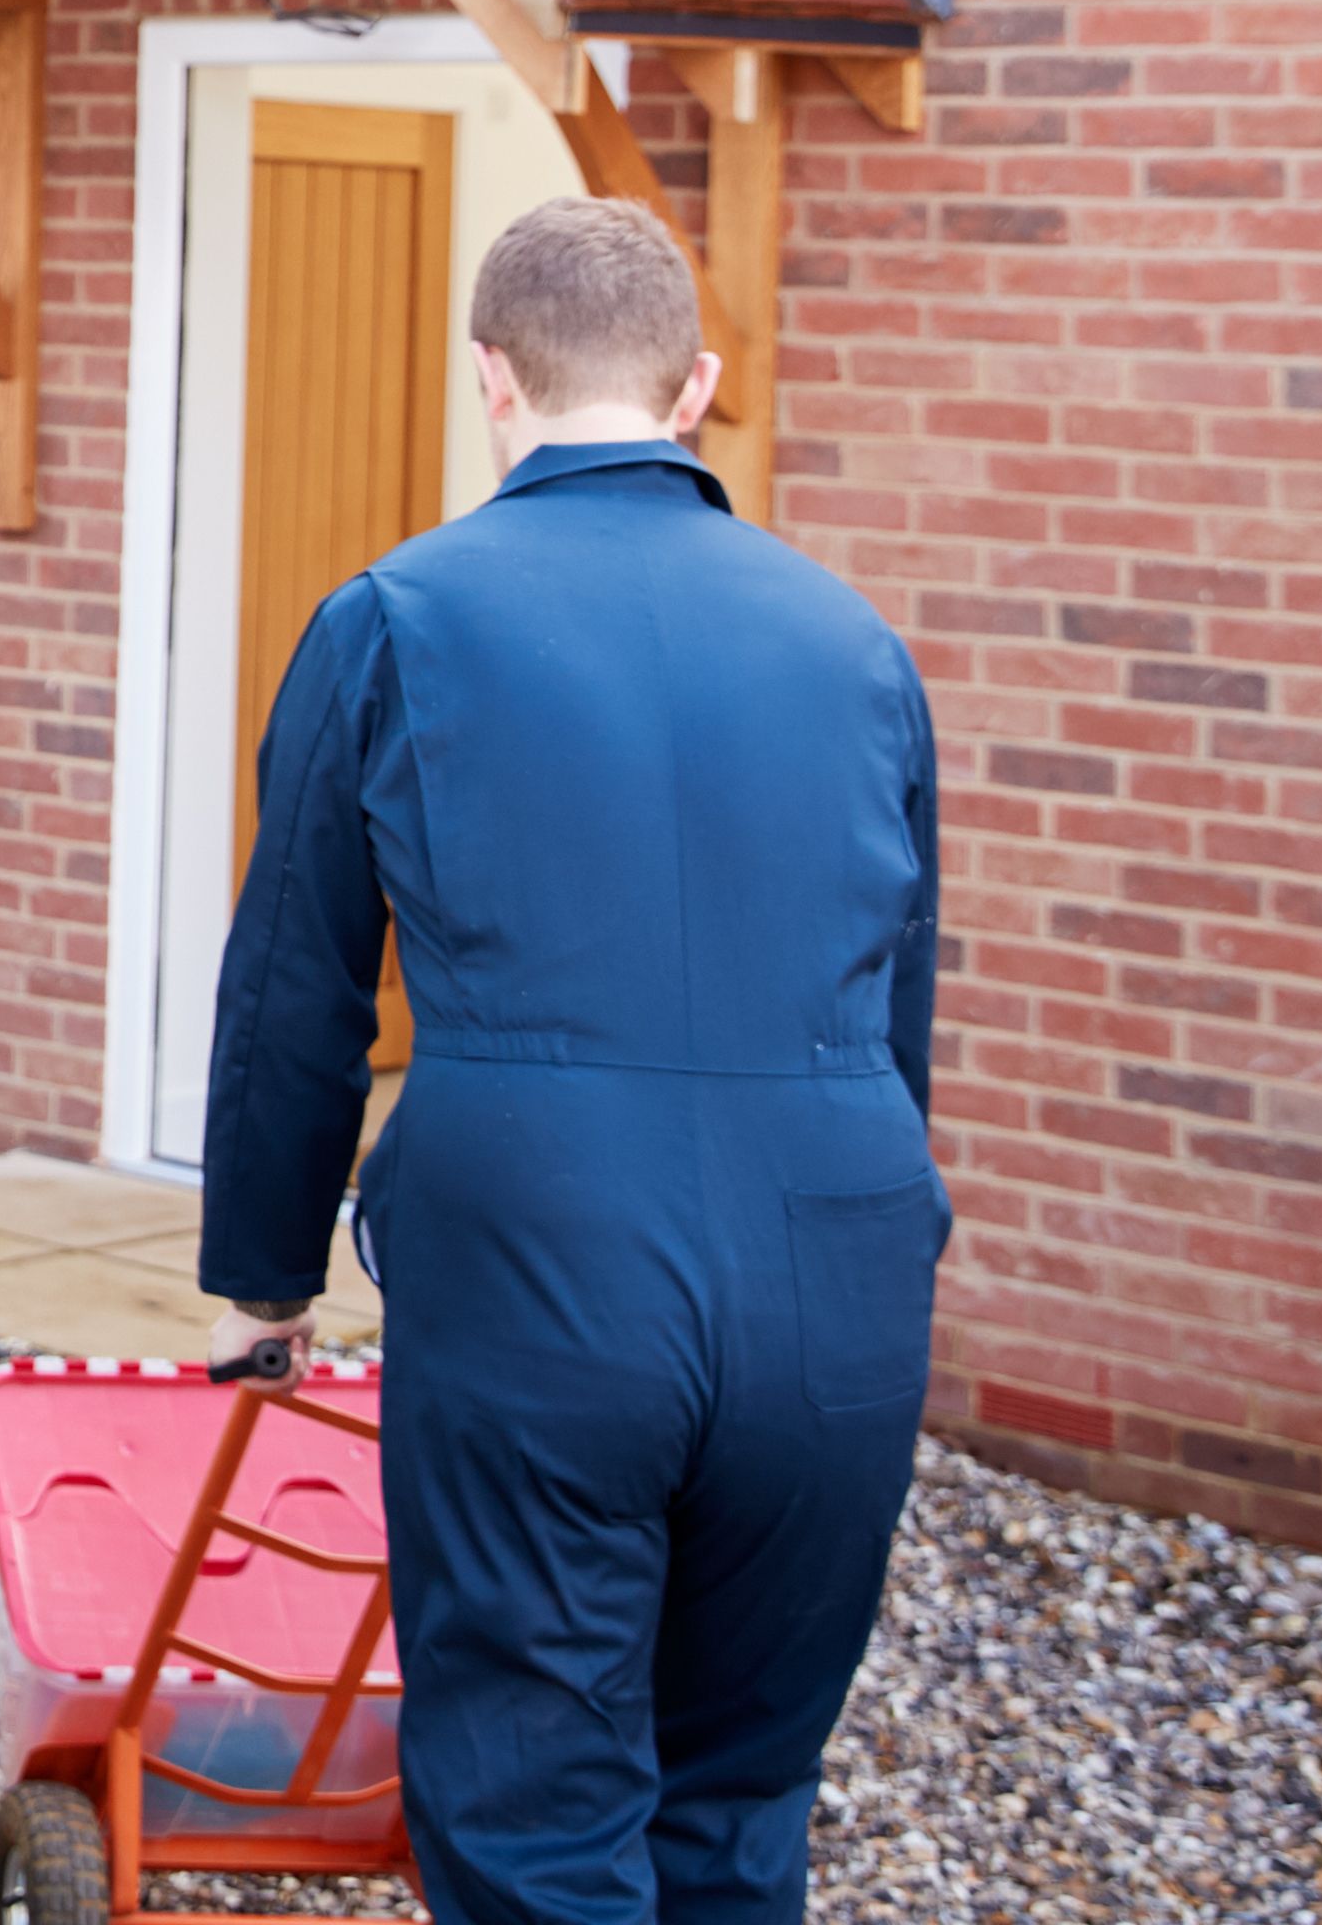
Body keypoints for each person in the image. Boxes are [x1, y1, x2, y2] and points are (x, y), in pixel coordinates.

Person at [200, 195, 945, 1925]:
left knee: (538, 1802)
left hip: (546, 1268)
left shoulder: (393, 619)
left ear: (490, 380)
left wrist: (264, 1280)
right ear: (695, 387)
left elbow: (296, 991)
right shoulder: (859, 647)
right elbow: (896, 1005)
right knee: (743, 1795)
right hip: (840, 1270)